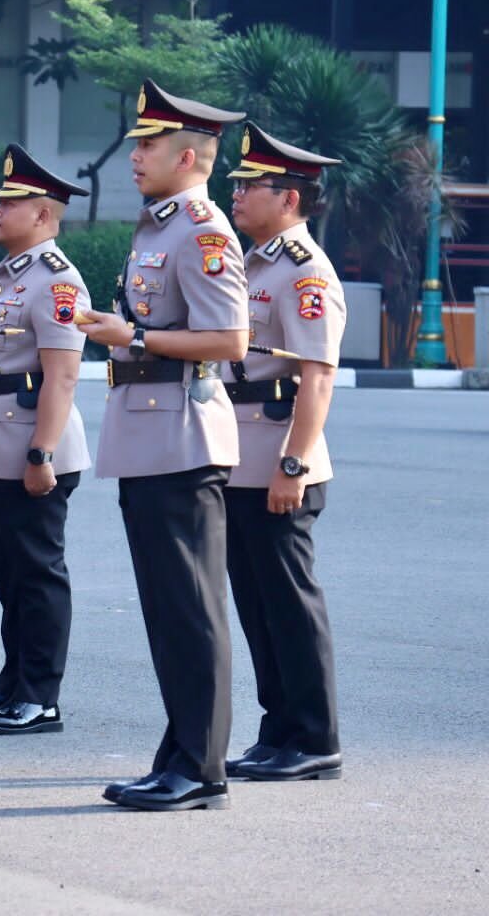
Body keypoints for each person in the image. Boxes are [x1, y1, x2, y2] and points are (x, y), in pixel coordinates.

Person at [80, 79, 249, 812]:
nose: (134, 158)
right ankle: (180, 751)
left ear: (188, 156)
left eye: (146, 146)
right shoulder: (157, 227)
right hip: (151, 436)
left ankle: (200, 766)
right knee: (166, 607)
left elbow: (230, 339)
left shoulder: (203, 232)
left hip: (182, 437)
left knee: (190, 608)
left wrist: (136, 336)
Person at [0, 145, 92, 736]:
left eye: (11, 202)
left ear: (43, 214)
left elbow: (61, 373)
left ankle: (40, 696)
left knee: (36, 575)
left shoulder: (57, 280)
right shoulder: (13, 275)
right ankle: (11, 687)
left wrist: (42, 453)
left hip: (32, 449)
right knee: (11, 578)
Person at [222, 123, 346, 782]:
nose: (236, 195)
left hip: (279, 462)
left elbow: (317, 377)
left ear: (290, 198)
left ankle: (315, 736)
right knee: (259, 605)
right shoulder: (254, 261)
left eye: (250, 186)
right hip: (241, 460)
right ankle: (279, 731)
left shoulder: (303, 272)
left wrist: (292, 466)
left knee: (290, 606)